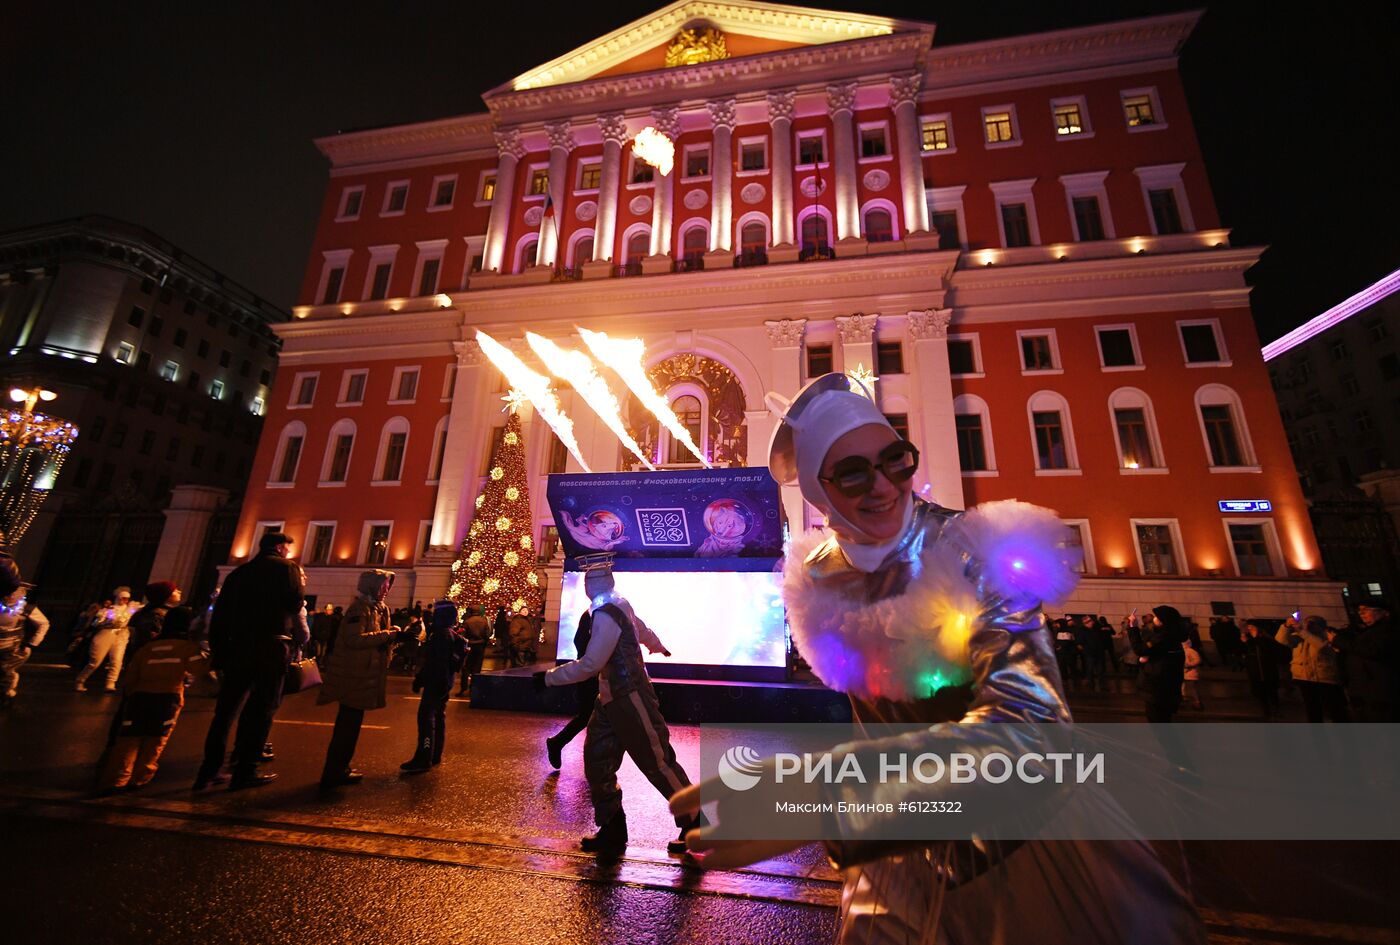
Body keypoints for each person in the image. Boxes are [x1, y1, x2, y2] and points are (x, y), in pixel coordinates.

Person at [671, 373, 1204, 944]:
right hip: (897, 841)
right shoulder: (819, 569)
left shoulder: (973, 549)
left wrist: (828, 799)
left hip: (1014, 838)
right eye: (853, 473)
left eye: (894, 460)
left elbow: (1035, 732)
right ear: (819, 491)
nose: (883, 486)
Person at [537, 554, 696, 857]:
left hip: (629, 696)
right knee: (598, 761)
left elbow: (591, 663)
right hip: (610, 697)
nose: (589, 584)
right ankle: (612, 827)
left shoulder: (607, 612)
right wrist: (656, 644)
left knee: (657, 761)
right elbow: (641, 628)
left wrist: (548, 678)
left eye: (591, 580)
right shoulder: (614, 604)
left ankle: (696, 821)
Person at [193, 531, 306, 791]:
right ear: (280, 547)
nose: (288, 552)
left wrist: (220, 655)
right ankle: (246, 769)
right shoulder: (287, 569)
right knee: (261, 710)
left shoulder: (238, 574)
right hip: (270, 647)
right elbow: (294, 603)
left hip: (237, 648)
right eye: (287, 548)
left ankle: (208, 771)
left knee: (224, 713)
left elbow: (220, 617)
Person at [95, 606, 205, 792]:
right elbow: (200, 669)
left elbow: (131, 676)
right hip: (168, 698)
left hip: (139, 697)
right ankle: (140, 778)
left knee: (129, 738)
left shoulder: (149, 647)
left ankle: (116, 779)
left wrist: (130, 694)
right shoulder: (187, 648)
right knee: (155, 739)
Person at [318, 569, 398, 789]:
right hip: (353, 675)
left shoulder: (377, 609)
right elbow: (354, 640)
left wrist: (392, 635)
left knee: (351, 726)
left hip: (364, 674)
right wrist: (388, 635)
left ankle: (340, 768)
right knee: (347, 726)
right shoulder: (360, 608)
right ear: (372, 586)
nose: (386, 590)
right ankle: (334, 771)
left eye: (387, 586)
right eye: (382, 586)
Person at [401, 599, 467, 773]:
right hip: (445, 681)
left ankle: (424, 756)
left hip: (436, 681)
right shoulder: (450, 633)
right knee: (438, 717)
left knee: (426, 718)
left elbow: (434, 662)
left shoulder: (440, 635)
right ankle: (434, 754)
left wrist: (420, 679)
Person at [1328, 598, 1397, 722]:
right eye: (1359, 610)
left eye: (1366, 610)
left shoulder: (1388, 629)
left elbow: (1372, 650)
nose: (1361, 613)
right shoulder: (1366, 630)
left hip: (1380, 691)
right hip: (1364, 690)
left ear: (1384, 612)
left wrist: (1338, 640)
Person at [1277, 615, 1348, 722]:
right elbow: (1281, 640)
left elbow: (1322, 647)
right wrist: (1286, 626)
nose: (1308, 625)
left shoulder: (1327, 636)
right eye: (1306, 622)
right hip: (1305, 678)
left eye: (1312, 623)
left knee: (1335, 710)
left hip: (1325, 679)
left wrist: (1303, 632)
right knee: (1312, 710)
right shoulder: (1300, 636)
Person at [0, 554, 49, 709]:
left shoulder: (25, 608)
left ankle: (6, 695)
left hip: (12, 648)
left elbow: (44, 624)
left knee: (4, 671)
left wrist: (32, 644)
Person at [75, 586, 140, 692]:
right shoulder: (108, 610)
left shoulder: (130, 609)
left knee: (117, 661)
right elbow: (96, 623)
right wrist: (106, 620)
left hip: (121, 635)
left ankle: (110, 683)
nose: (125, 600)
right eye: (123, 598)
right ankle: (80, 680)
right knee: (95, 660)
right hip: (106, 633)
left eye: (126, 598)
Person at [1129, 607, 1187, 722]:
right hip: (1165, 689)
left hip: (1158, 690)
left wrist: (1133, 627)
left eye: (1156, 616)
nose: (1154, 618)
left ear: (1162, 621)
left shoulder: (1164, 637)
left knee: (1159, 724)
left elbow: (1140, 649)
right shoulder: (1170, 635)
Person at [1240, 620, 1288, 719]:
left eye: (1252, 627)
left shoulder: (1266, 639)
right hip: (1255, 671)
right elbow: (1244, 651)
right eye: (1248, 627)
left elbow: (1268, 648)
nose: (1250, 629)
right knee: (1261, 693)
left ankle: (1276, 710)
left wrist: (1250, 641)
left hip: (1268, 670)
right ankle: (1266, 710)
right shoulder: (1247, 639)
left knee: (1272, 692)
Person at [127, 581, 181, 655]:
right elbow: (152, 638)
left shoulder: (166, 612)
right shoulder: (157, 614)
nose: (179, 592)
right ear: (166, 595)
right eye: (175, 590)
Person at [457, 605, 490, 696]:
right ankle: (473, 688)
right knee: (477, 668)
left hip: (470, 645)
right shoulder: (484, 621)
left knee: (466, 667)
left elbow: (463, 635)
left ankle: (463, 688)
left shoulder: (467, 621)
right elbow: (487, 633)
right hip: (480, 646)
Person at [1181, 638, 1204, 710]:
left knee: (1190, 689)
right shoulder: (1182, 651)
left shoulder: (1191, 651)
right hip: (1185, 674)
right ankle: (1186, 701)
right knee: (1184, 688)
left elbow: (1197, 660)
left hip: (1190, 674)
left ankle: (1196, 702)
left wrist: (1188, 664)